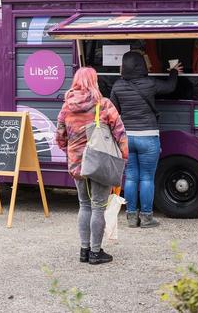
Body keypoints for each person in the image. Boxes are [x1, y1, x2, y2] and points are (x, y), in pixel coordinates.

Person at [56, 67, 128, 265]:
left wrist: (72, 153)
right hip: (100, 162)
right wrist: (123, 157)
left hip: (77, 164)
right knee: (98, 207)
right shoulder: (103, 105)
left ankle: (84, 250)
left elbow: (59, 137)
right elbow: (120, 133)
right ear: (94, 81)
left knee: (84, 205)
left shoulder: (66, 107)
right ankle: (96, 253)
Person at [110, 51, 181, 228]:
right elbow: (170, 87)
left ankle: (132, 217)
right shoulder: (150, 84)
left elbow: (114, 111)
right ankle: (147, 217)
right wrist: (174, 71)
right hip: (148, 136)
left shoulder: (117, 86)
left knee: (131, 177)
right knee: (147, 178)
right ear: (141, 65)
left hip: (128, 137)